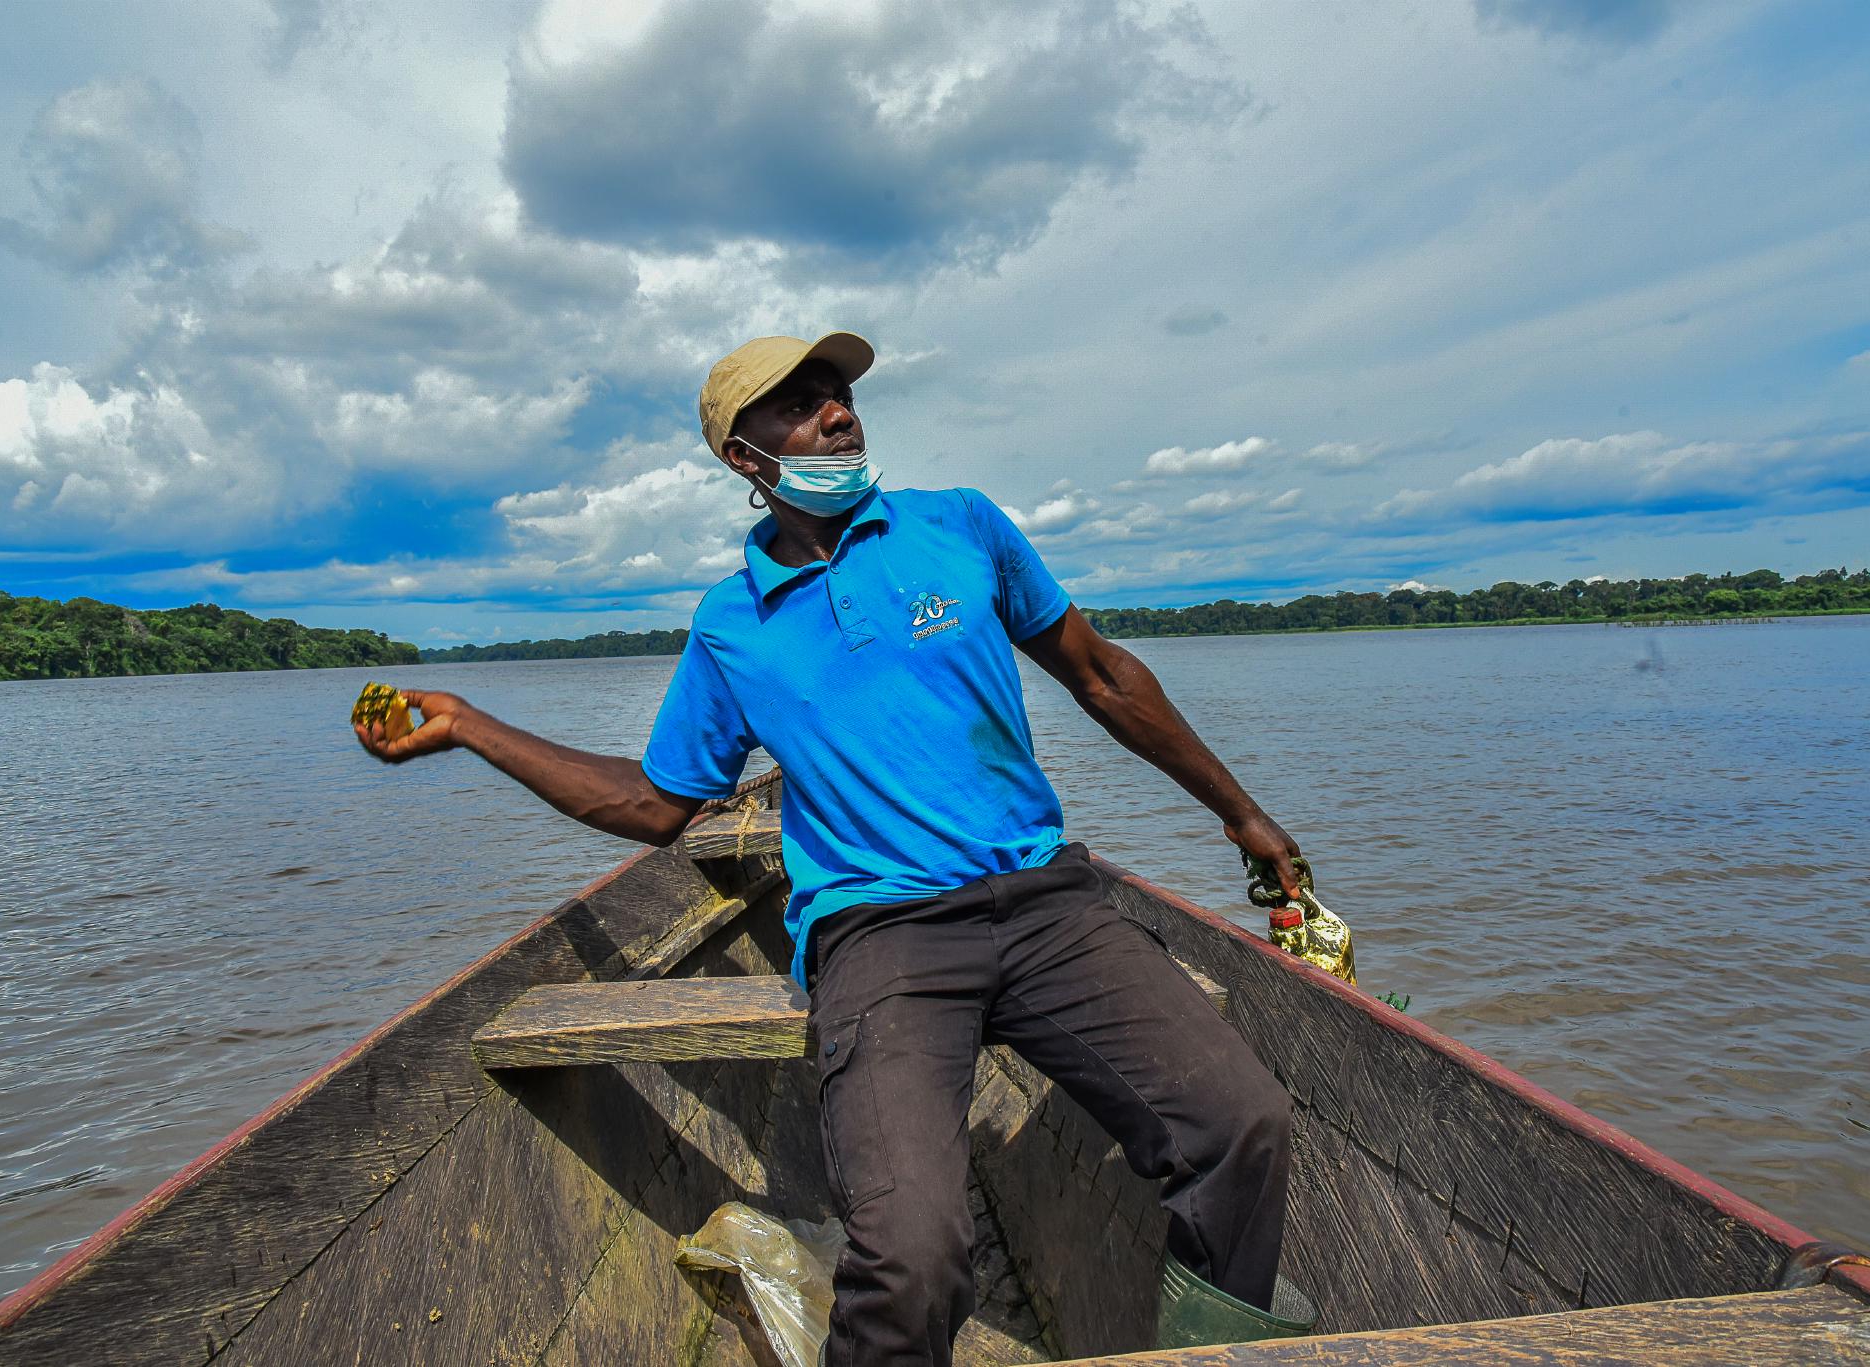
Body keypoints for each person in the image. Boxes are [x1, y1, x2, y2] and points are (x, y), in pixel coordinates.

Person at [355, 332, 1307, 1367]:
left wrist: (1239, 814)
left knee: (1241, 1120)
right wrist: (468, 724)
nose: (836, 413)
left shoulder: (959, 525)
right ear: (742, 457)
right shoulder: (732, 625)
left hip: (1045, 902)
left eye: (839, 394)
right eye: (798, 404)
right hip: (879, 935)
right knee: (911, 1254)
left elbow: (1101, 675)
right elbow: (650, 802)